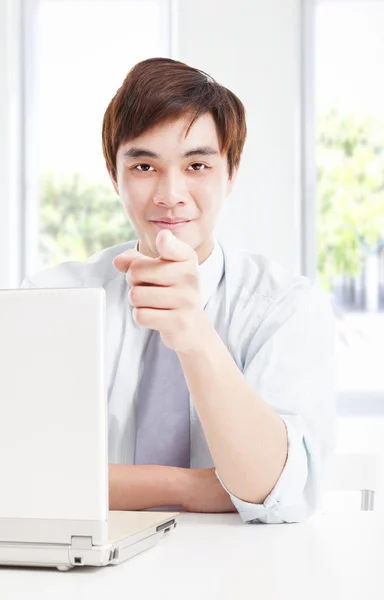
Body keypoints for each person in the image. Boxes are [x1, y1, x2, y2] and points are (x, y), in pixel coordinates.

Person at [22, 57, 336, 524]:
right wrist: (189, 487)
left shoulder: (286, 306)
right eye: (145, 165)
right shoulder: (50, 299)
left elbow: (275, 491)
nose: (171, 194)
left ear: (230, 173)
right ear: (114, 176)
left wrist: (193, 334)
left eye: (197, 165)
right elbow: (24, 476)